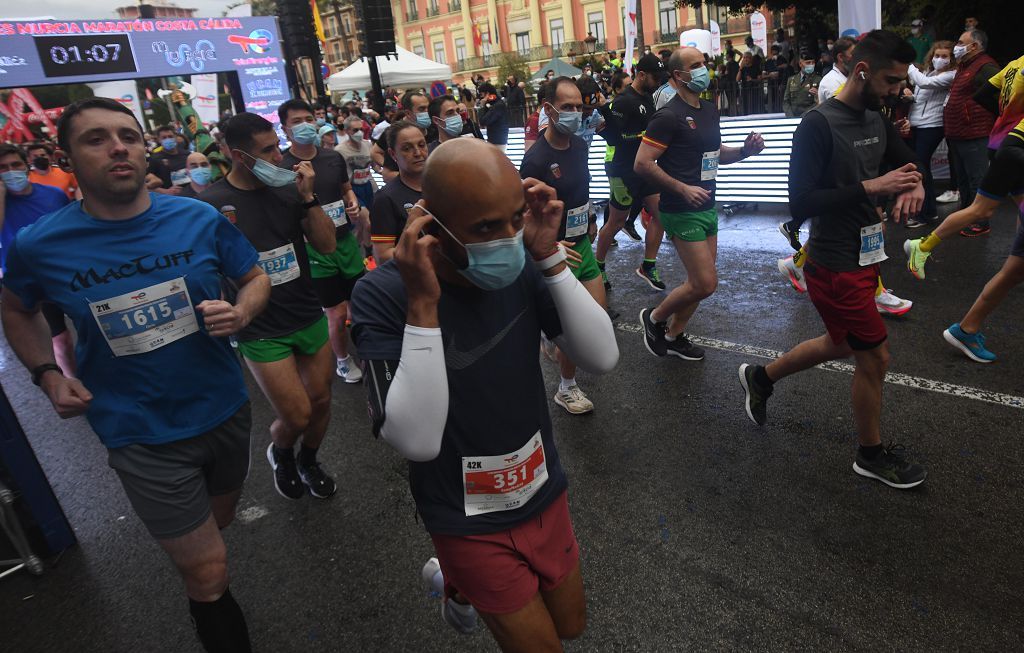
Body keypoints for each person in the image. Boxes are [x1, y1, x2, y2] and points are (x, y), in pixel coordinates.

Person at [1, 97, 271, 652]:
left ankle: (194, 542)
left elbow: (254, 276)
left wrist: (243, 310)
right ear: (67, 156)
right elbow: (14, 306)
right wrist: (47, 374)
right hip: (138, 431)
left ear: (144, 148)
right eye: (96, 138)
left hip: (223, 407)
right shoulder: (40, 244)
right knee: (208, 571)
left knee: (218, 522)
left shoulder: (196, 217)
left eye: (127, 135)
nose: (117, 146)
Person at [350, 137, 618, 651]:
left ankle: (457, 586)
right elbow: (418, 440)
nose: (508, 238)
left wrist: (548, 259)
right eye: (486, 228)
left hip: (541, 487)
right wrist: (423, 304)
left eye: (515, 218)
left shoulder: (523, 262)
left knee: (572, 625)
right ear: (432, 223)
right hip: (464, 515)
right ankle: (461, 577)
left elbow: (601, 357)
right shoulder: (382, 294)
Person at [738, 30, 928, 490]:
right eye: (890, 80)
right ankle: (870, 454)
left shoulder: (876, 119)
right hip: (833, 264)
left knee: (842, 344)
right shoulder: (817, 124)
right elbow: (800, 202)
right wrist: (873, 188)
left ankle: (761, 377)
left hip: (866, 258)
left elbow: (909, 165)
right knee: (875, 356)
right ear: (862, 71)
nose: (897, 91)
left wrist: (915, 184)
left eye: (902, 82)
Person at [199, 112, 340, 501]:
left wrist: (309, 198)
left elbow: (327, 245)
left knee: (322, 400)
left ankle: (309, 460)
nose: (279, 157)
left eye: (277, 145)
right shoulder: (210, 205)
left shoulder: (289, 189)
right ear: (238, 156)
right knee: (296, 414)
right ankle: (281, 453)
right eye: (268, 150)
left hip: (306, 310)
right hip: (260, 326)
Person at [637, 47, 765, 362]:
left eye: (704, 63)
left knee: (700, 282)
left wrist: (746, 151)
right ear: (677, 76)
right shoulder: (667, 116)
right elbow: (642, 163)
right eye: (695, 66)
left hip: (707, 204)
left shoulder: (709, 109)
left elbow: (716, 154)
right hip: (680, 209)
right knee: (706, 282)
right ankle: (654, 319)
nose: (703, 69)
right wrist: (682, 188)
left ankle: (674, 334)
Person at [520, 77, 608, 414]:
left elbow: (580, 191)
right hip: (557, 254)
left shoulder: (580, 146)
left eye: (579, 107)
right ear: (548, 109)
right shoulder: (536, 160)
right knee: (575, 330)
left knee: (595, 320)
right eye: (567, 107)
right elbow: (528, 217)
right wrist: (551, 249)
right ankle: (567, 388)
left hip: (582, 244)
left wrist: (590, 221)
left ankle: (553, 338)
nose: (575, 113)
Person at [905, 52, 1024, 283]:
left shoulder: (1014, 63)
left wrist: (1007, 114)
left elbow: (983, 94)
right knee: (981, 210)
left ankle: (1018, 260)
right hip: (1014, 144)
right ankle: (923, 245)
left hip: (1002, 137)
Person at [278, 99, 366, 384]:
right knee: (337, 313)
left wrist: (351, 202)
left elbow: (346, 188)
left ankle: (369, 351)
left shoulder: (332, 157)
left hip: (346, 242)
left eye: (308, 118)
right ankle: (342, 360)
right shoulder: (282, 167)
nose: (305, 125)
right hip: (314, 250)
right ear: (285, 129)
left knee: (361, 304)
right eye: (296, 121)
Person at [0, 143, 76, 377]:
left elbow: (72, 229)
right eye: (2, 168)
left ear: (26, 166)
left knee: (90, 327)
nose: (10, 171)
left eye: (15, 165)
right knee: (59, 338)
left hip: (65, 273)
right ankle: (75, 381)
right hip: (28, 282)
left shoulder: (52, 194)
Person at [594, 53, 668, 291]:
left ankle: (648, 265)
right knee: (616, 222)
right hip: (622, 169)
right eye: (655, 77)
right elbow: (610, 134)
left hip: (645, 168)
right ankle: (598, 266)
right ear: (642, 75)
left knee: (661, 214)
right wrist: (639, 137)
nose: (658, 82)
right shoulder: (624, 101)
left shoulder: (649, 98)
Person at [942, 28, 1000, 236]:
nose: (956, 47)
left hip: (974, 134)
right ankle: (966, 216)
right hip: (958, 134)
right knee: (964, 180)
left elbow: (1001, 97)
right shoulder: (965, 66)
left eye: (960, 42)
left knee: (978, 179)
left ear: (974, 46)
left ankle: (981, 222)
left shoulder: (985, 67)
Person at [904, 41, 956, 228]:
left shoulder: (951, 75)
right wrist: (909, 96)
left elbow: (924, 84)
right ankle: (930, 211)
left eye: (944, 56)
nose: (939, 59)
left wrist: (908, 65)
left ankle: (923, 214)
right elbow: (920, 95)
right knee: (922, 167)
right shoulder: (929, 72)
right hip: (917, 124)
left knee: (920, 168)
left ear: (952, 60)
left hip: (933, 126)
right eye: (936, 55)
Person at [370, 121, 426, 263]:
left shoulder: (441, 186)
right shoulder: (386, 198)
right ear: (393, 154)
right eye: (407, 148)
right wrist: (428, 252)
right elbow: (382, 256)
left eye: (421, 145)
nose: (418, 153)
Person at [337, 115, 378, 210]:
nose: (359, 133)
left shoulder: (368, 144)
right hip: (351, 188)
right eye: (355, 130)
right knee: (364, 217)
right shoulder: (340, 150)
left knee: (372, 215)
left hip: (367, 185)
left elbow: (374, 165)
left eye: (361, 129)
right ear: (347, 131)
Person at [145, 124, 190, 194]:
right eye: (164, 138)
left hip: (191, 195)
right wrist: (165, 191)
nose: (168, 139)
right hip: (172, 199)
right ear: (159, 140)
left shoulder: (187, 154)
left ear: (175, 137)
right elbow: (147, 186)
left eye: (170, 136)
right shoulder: (155, 158)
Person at [783, 52, 822, 118]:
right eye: (808, 63)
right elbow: (786, 101)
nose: (811, 65)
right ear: (800, 64)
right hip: (792, 117)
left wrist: (804, 116)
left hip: (809, 117)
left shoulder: (818, 80)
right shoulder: (791, 80)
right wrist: (790, 116)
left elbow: (819, 102)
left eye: (813, 62)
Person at [818, 36, 856, 104]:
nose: (857, 58)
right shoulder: (831, 81)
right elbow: (841, 111)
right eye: (853, 54)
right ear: (840, 57)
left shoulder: (852, 76)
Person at [478, 83, 510, 152]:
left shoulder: (498, 105)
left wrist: (481, 106)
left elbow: (483, 121)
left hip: (498, 142)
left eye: (481, 94)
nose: (480, 97)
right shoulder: (495, 103)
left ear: (487, 94)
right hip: (495, 140)